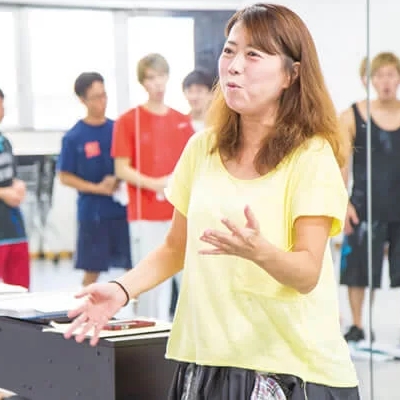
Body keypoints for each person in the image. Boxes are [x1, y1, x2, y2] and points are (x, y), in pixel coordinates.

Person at [65, 4, 359, 398]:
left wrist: (260, 252)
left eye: (253, 54)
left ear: (291, 74)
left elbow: (307, 272)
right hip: (207, 359)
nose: (234, 66)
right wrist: (121, 289)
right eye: (229, 51)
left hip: (289, 369)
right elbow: (175, 247)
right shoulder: (201, 148)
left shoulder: (311, 155)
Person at [111, 53, 194, 321]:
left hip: (180, 213)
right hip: (144, 214)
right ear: (142, 82)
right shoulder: (128, 120)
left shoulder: (182, 122)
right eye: (150, 78)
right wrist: (156, 184)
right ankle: (147, 335)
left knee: (189, 283)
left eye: (161, 76)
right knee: (148, 287)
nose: (157, 83)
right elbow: (121, 168)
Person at [340, 51, 400, 342]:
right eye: (379, 75)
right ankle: (357, 324)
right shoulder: (352, 115)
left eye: (390, 74)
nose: (385, 81)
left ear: (398, 78)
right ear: (369, 80)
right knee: (358, 270)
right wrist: (344, 203)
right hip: (364, 205)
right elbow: (341, 163)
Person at [57, 72, 132, 287]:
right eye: (96, 97)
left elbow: (130, 163)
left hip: (121, 209)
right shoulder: (74, 137)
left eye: (104, 95)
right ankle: (86, 306)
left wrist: (117, 178)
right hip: (93, 213)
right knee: (92, 270)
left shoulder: (117, 129)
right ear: (83, 100)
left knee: (132, 266)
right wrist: (96, 188)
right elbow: (64, 176)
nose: (102, 101)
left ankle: (138, 306)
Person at [0, 89, 30, 289]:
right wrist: (3, 193)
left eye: (2, 105)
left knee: (19, 289)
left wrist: (18, 185)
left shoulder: (5, 142)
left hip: (13, 226)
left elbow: (10, 177)